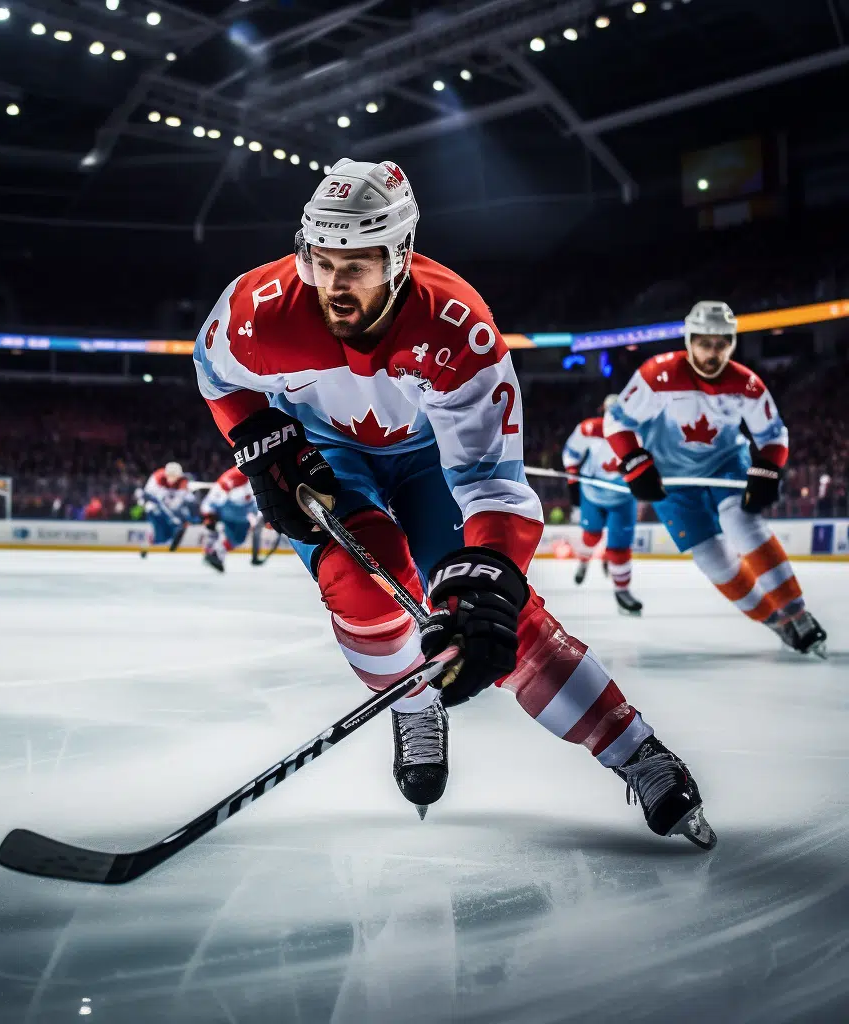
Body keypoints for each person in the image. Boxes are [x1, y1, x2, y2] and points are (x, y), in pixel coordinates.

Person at [193, 158, 715, 848]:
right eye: (321, 261)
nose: (334, 286)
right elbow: (213, 369)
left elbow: (493, 488)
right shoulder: (261, 309)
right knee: (360, 580)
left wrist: (487, 581)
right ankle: (414, 703)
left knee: (496, 614)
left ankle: (634, 747)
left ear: (402, 255)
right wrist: (260, 436)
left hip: (432, 460)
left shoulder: (460, 330)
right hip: (327, 455)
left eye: (358, 264)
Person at [605, 300, 826, 656]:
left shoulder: (746, 384)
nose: (713, 353)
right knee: (712, 558)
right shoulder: (655, 375)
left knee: (742, 523)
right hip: (672, 480)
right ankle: (776, 621)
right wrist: (634, 462)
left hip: (726, 464)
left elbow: (773, 434)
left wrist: (768, 469)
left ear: (732, 344)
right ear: (690, 341)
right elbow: (617, 421)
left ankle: (799, 614)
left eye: (722, 344)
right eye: (705, 344)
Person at [562, 395, 642, 614]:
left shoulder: (639, 433)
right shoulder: (589, 429)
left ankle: (622, 592)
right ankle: (584, 561)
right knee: (591, 537)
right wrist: (573, 483)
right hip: (593, 495)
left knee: (619, 546)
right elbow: (571, 454)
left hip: (622, 497)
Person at [199, 466, 267, 573]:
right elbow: (214, 496)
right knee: (237, 536)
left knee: (238, 538)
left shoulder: (253, 475)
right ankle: (214, 551)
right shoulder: (233, 477)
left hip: (241, 510)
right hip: (233, 510)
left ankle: (215, 553)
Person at [138, 461, 197, 557]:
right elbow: (148, 496)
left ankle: (174, 541)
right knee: (158, 528)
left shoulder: (183, 481)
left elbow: (182, 500)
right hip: (156, 507)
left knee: (183, 520)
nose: (173, 479)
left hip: (171, 507)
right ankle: (150, 540)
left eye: (176, 476)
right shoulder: (157, 478)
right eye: (171, 476)